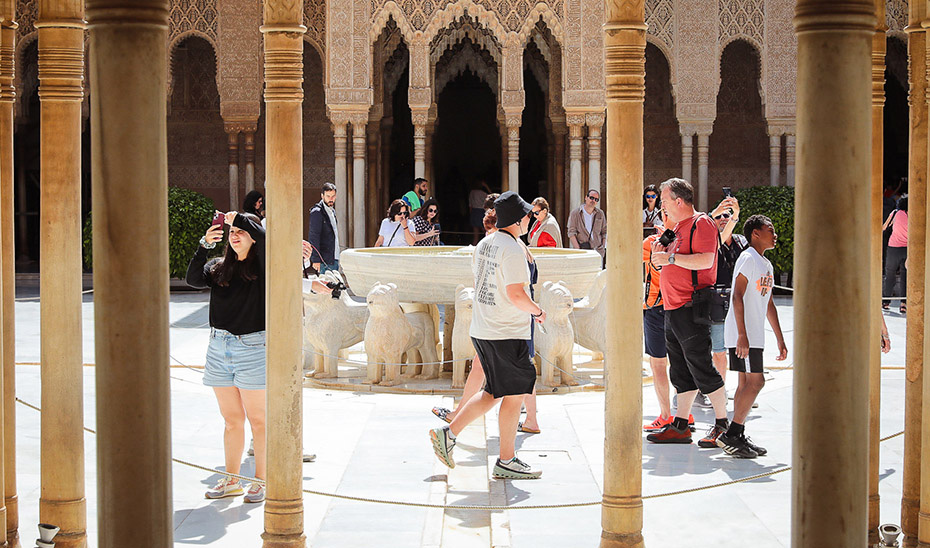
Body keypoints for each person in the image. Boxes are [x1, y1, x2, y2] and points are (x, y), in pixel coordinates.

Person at [186, 211, 331, 503]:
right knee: (231, 420)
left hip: (253, 348)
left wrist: (236, 217)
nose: (235, 235)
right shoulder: (218, 268)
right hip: (219, 347)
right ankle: (231, 479)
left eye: (241, 231)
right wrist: (204, 245)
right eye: (231, 233)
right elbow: (192, 280)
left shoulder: (264, 269)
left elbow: (265, 238)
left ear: (253, 238)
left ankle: (260, 480)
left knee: (259, 420)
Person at [429, 191, 545, 479]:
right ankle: (506, 459)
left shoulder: (484, 244)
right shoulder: (513, 248)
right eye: (528, 214)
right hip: (506, 332)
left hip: (484, 330)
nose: (531, 217)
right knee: (515, 392)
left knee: (495, 392)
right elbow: (516, 293)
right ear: (518, 219)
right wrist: (538, 311)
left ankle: (450, 433)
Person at [646, 178, 729, 448]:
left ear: (679, 201)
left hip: (691, 306)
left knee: (702, 366)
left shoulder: (701, 223)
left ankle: (722, 425)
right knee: (681, 370)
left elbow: (707, 259)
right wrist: (661, 257)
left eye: (665, 200)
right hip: (672, 307)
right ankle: (680, 425)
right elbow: (666, 264)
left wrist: (668, 258)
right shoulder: (677, 227)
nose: (662, 205)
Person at [717, 215, 788, 458]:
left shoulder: (765, 264)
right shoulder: (748, 258)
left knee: (745, 384)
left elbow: (769, 303)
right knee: (757, 382)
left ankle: (737, 436)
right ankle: (731, 434)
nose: (775, 234)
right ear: (755, 233)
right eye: (770, 229)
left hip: (755, 334)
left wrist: (780, 338)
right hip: (742, 333)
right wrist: (742, 335)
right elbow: (737, 296)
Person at [642, 212, 695, 433]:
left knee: (658, 363)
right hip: (683, 306)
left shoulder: (651, 243)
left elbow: (651, 272)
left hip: (656, 306)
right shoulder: (689, 240)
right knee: (682, 361)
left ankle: (666, 415)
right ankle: (685, 413)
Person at [694, 196, 745, 408]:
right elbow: (719, 240)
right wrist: (732, 216)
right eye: (721, 216)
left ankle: (729, 391)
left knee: (735, 349)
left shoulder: (741, 241)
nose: (724, 219)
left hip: (735, 300)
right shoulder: (712, 240)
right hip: (714, 300)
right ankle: (717, 393)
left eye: (728, 216)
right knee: (718, 351)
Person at [882, 196, 908, 313]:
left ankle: (886, 302)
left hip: (893, 248)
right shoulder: (915, 214)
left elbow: (884, 227)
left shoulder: (895, 213)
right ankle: (903, 304)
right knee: (905, 276)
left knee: (890, 274)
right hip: (908, 249)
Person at [307, 183, 340, 274]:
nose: (331, 199)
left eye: (333, 196)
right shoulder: (317, 212)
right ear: (322, 196)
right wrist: (316, 259)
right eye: (328, 196)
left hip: (334, 257)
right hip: (323, 260)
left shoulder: (332, 211)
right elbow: (314, 236)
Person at [567, 189, 607, 261]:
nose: (593, 201)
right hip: (583, 251)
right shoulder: (575, 213)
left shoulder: (600, 214)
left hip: (598, 252)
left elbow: (604, 231)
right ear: (586, 197)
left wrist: (603, 248)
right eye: (591, 198)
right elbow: (571, 232)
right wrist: (578, 250)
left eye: (596, 199)